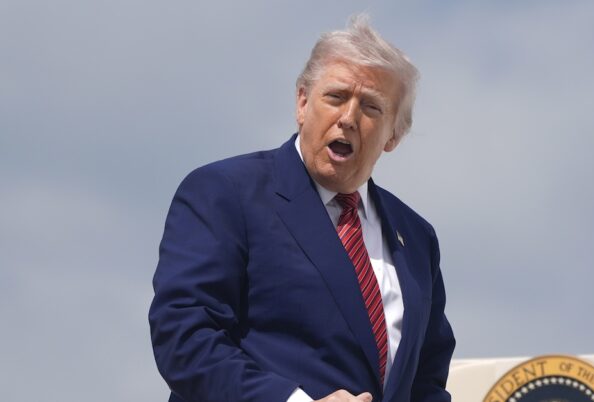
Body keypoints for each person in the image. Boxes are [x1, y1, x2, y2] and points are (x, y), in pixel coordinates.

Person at [149, 14, 455, 402]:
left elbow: (426, 381)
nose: (348, 118)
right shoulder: (225, 193)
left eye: (371, 108)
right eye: (336, 96)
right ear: (302, 101)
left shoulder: (416, 237)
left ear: (393, 135)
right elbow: (184, 337)